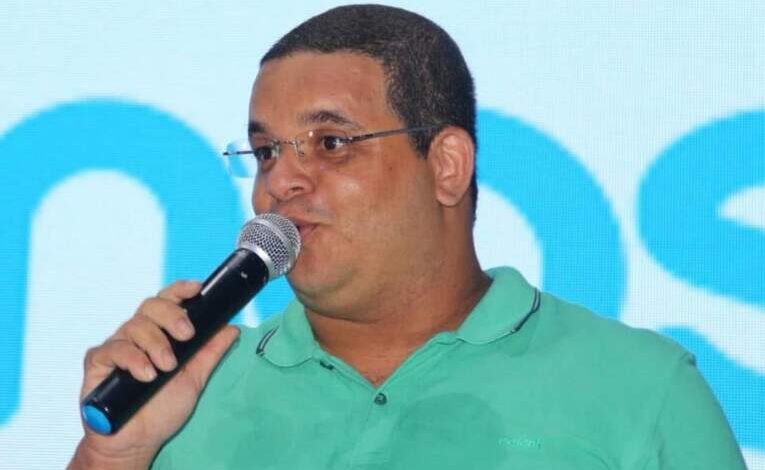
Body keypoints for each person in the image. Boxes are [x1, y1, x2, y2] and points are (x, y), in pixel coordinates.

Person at [68, 5, 746, 469]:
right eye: (267, 150)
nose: (281, 180)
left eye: (330, 143)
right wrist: (113, 456)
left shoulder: (642, 386)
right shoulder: (185, 392)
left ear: (446, 166)